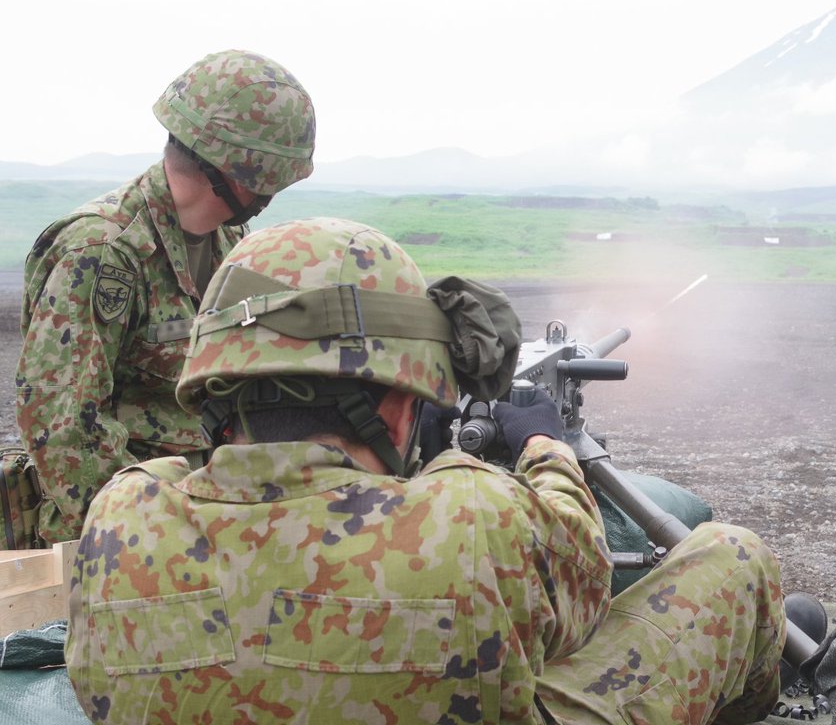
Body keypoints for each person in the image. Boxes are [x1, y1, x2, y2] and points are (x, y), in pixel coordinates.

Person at [65, 217, 787, 724]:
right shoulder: (469, 519)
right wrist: (542, 445)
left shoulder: (119, 520)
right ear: (394, 403)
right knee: (734, 556)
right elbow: (584, 573)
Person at [15, 49, 316, 544]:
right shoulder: (104, 253)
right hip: (122, 530)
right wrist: (144, 534)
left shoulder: (227, 242)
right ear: (246, 171)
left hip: (201, 509)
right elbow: (65, 425)